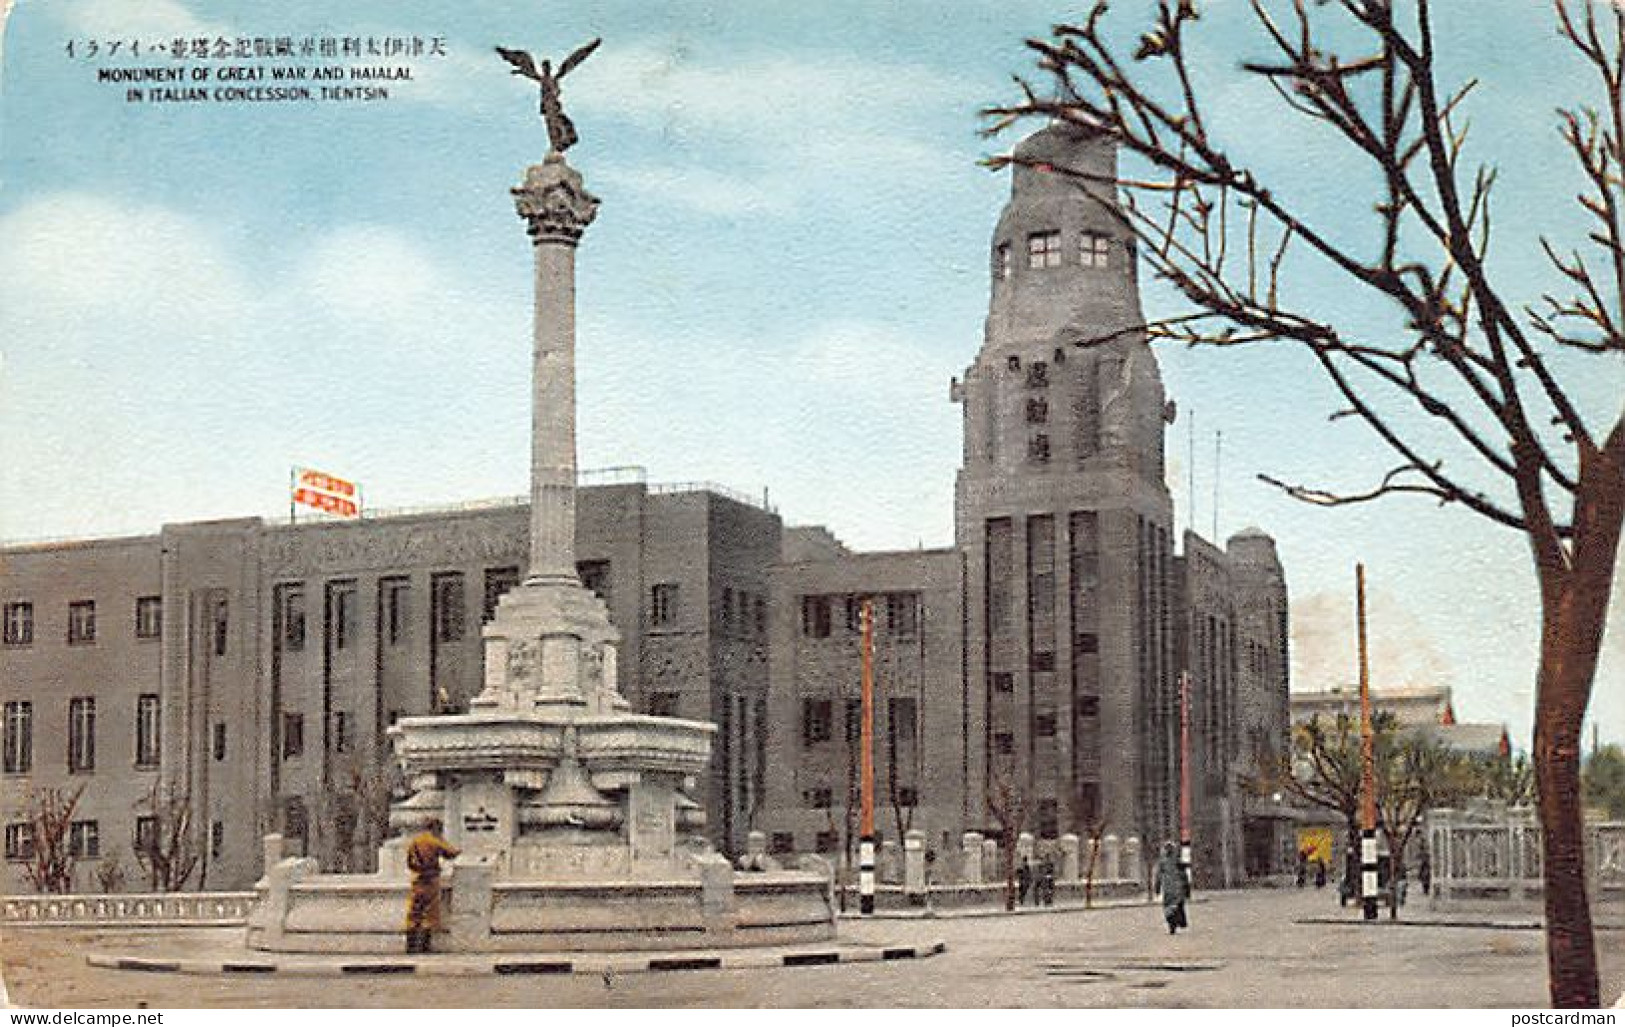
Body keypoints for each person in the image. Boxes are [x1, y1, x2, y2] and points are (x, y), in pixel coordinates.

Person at [404, 818, 461, 954]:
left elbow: (409, 862)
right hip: (431, 880)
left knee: (414, 912)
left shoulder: (415, 842)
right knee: (429, 913)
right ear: (436, 828)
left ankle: (410, 946)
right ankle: (424, 946)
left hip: (417, 879)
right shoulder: (435, 841)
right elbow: (451, 853)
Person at [1153, 841, 1189, 935]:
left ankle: (1172, 925)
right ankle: (1176, 924)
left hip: (1169, 889)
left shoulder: (1163, 862)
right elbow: (1184, 876)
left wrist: (1157, 887)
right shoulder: (1177, 860)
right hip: (1177, 889)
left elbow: (1158, 876)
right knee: (1176, 907)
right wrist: (1186, 889)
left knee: (1169, 908)